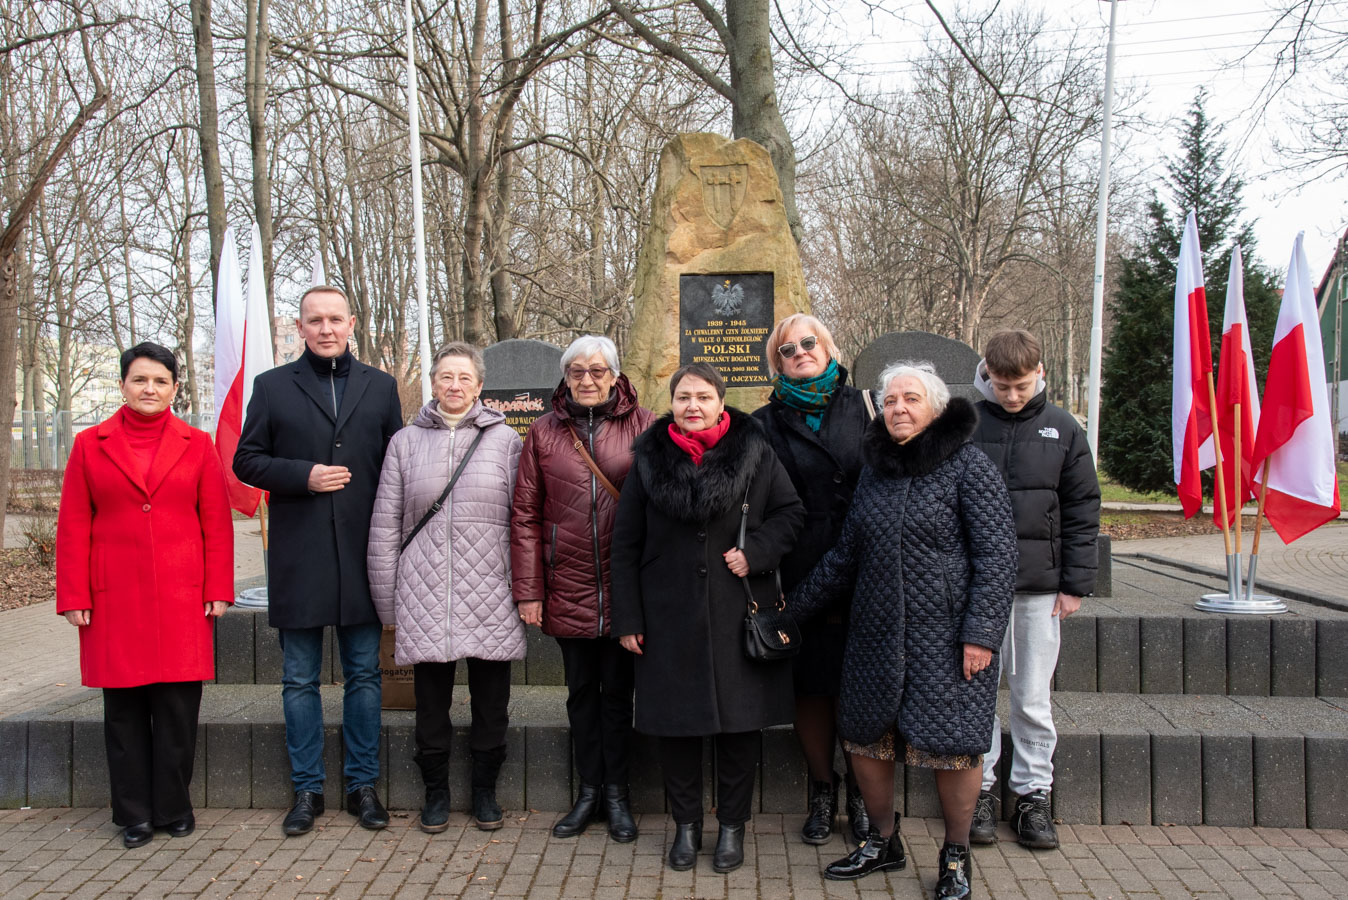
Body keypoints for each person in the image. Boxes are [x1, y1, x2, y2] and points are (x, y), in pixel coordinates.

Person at [790, 362, 1015, 897]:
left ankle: (955, 857)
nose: (898, 409)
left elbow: (999, 557)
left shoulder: (970, 468)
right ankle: (882, 844)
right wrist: (789, 609)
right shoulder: (875, 472)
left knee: (955, 745)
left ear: (935, 408)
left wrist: (981, 634)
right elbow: (846, 556)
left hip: (950, 641)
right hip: (875, 636)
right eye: (890, 401)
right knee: (867, 740)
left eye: (910, 399)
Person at [611, 363, 804, 874]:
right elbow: (625, 542)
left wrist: (756, 552)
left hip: (736, 609)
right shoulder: (648, 459)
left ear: (721, 401)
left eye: (702, 396)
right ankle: (687, 827)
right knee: (676, 728)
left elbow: (790, 514)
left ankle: (733, 829)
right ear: (670, 403)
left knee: (740, 728)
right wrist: (628, 617)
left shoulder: (755, 451)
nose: (692, 406)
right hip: (667, 615)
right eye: (682, 397)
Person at [234, 284, 403, 836]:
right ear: (300, 328)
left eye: (335, 319)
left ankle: (361, 787)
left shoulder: (381, 388)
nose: (326, 328)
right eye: (315, 320)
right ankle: (306, 790)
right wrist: (301, 476)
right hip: (299, 557)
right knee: (300, 679)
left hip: (361, 555)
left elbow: (395, 466)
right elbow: (246, 460)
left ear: (352, 322)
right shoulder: (272, 387)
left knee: (363, 674)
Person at [56, 342, 234, 849]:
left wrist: (219, 587)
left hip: (182, 596)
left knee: (178, 711)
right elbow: (72, 524)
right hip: (114, 599)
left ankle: (174, 807)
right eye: (140, 380)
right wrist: (73, 593)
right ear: (122, 386)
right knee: (125, 712)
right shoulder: (91, 444)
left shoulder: (197, 444)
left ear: (175, 389)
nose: (149, 389)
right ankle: (132, 813)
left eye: (160, 381)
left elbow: (216, 524)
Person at [368, 342, 524, 833]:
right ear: (432, 384)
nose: (454, 386)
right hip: (424, 591)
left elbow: (523, 521)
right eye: (445, 377)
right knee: (431, 704)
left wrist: (526, 589)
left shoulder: (506, 443)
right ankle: (436, 793)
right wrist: (387, 600)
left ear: (480, 387)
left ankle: (484, 792)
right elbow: (384, 526)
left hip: (491, 591)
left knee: (491, 702)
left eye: (464, 378)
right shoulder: (404, 443)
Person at [510, 335, 653, 842]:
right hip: (566, 583)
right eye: (576, 371)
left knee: (618, 695)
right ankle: (588, 791)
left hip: (625, 588)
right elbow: (525, 515)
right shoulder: (544, 433)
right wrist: (529, 591)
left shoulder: (645, 426)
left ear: (615, 374)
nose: (586, 380)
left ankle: (617, 795)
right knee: (579, 695)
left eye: (597, 370)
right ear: (565, 377)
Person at [968, 329, 1100, 851]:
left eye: (1021, 385)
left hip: (1040, 590)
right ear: (987, 375)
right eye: (1002, 385)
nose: (1012, 395)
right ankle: (977, 791)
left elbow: (1083, 509)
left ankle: (1031, 796)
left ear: (1040, 373)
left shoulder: (1064, 428)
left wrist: (1075, 585)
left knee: (1031, 699)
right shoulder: (968, 424)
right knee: (977, 696)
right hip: (978, 589)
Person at [752, 313, 873, 846]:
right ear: (776, 362)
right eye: (787, 349)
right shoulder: (763, 422)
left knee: (859, 688)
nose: (799, 352)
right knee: (812, 689)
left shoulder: (868, 407)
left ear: (829, 347)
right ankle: (823, 789)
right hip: (798, 572)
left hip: (864, 569)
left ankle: (864, 795)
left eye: (809, 343)